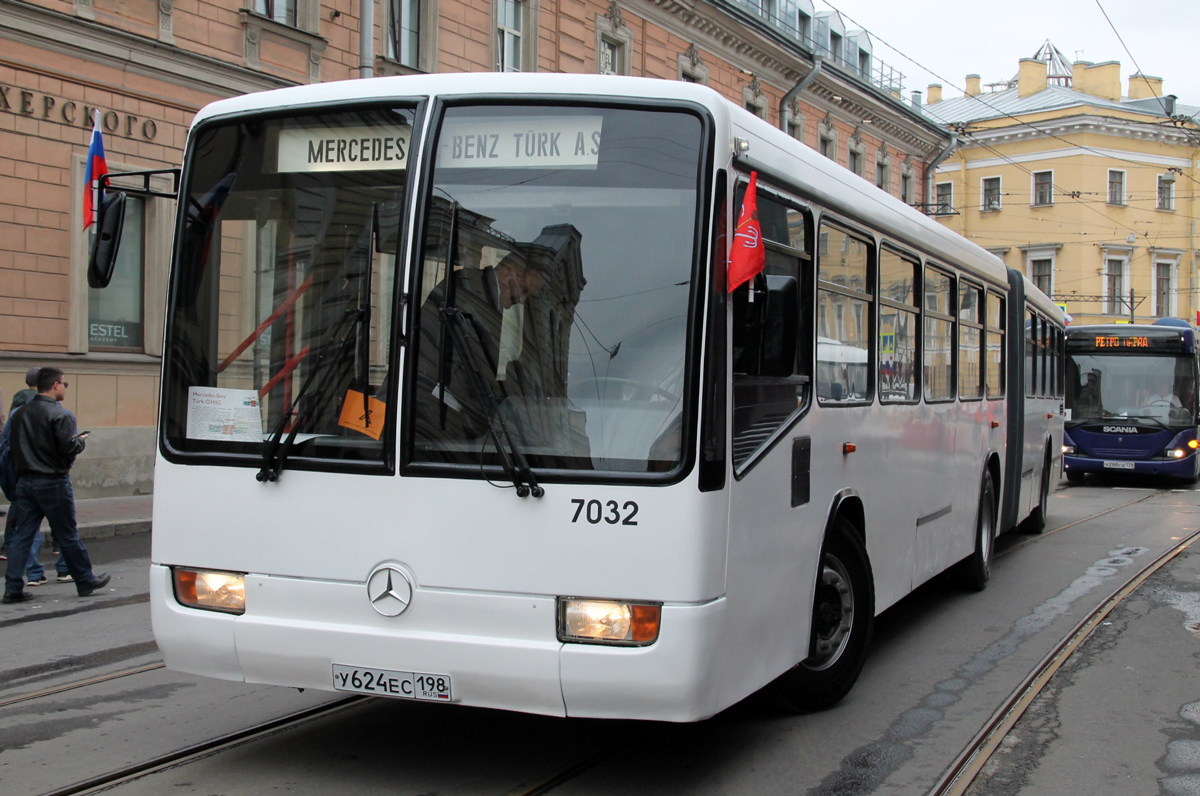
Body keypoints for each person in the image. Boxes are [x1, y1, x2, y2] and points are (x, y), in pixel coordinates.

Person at [2, 368, 109, 604]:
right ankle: (84, 579)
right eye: (64, 384)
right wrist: (80, 442)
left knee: (23, 536)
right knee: (67, 533)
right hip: (52, 481)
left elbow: (10, 446)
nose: (64, 388)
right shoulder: (61, 415)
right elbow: (66, 449)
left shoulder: (19, 414)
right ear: (55, 385)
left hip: (25, 481)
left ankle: (12, 588)